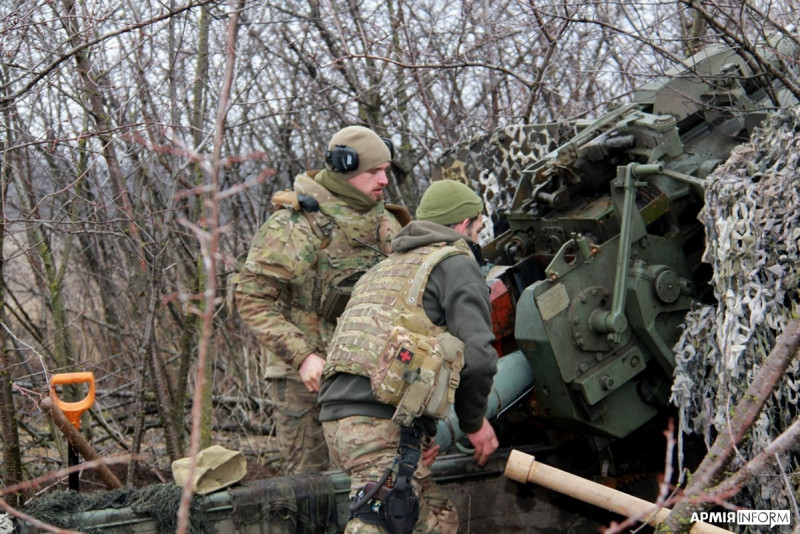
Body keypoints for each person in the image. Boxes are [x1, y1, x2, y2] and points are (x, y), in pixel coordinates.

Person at [318, 179, 500, 534]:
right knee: (378, 524)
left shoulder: (385, 267)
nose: (477, 239)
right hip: (379, 424)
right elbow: (478, 358)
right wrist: (474, 424)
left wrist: (419, 435)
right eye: (478, 229)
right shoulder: (456, 263)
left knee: (438, 520)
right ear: (464, 224)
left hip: (337, 422)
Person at [234, 125, 409, 475]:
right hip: (305, 381)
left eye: (386, 171)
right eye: (373, 172)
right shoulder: (298, 224)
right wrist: (302, 357)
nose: (384, 181)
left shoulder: (385, 223)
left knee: (370, 479)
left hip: (365, 375)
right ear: (345, 170)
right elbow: (251, 298)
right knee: (309, 488)